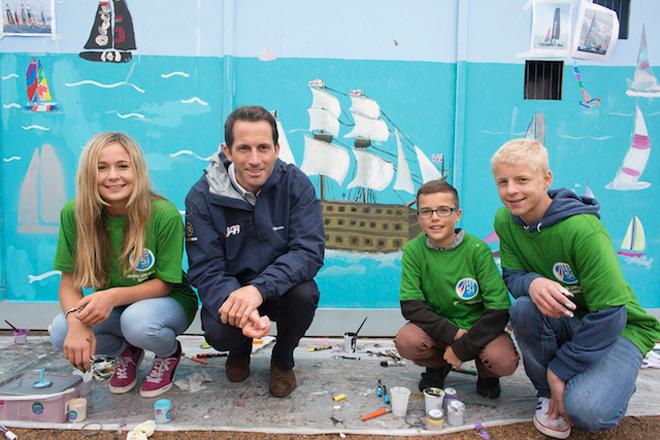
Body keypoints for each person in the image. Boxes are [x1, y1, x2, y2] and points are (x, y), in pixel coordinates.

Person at [491, 138, 660, 438]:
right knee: (524, 308)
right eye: (503, 181)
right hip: (568, 318)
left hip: (619, 327)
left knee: (587, 411)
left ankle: (611, 375)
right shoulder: (506, 220)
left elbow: (611, 313)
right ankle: (546, 393)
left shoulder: (582, 229)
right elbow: (513, 276)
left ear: (546, 179)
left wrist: (561, 368)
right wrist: (532, 282)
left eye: (521, 179)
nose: (511, 190)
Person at [185, 105, 324, 398]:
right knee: (219, 334)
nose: (255, 159)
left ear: (276, 147)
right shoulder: (202, 196)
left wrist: (259, 290)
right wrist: (239, 304)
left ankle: (283, 359)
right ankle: (239, 350)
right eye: (244, 148)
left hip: (278, 289)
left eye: (263, 148)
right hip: (232, 289)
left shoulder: (296, 185)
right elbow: (205, 267)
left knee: (305, 294)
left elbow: (308, 251)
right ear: (227, 151)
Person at [50, 132, 198, 398]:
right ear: (87, 174)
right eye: (101, 167)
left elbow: (166, 283)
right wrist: (76, 322)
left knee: (138, 322)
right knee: (59, 332)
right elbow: (69, 283)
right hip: (114, 306)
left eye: (122, 166)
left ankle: (168, 353)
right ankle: (126, 352)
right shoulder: (73, 214)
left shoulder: (163, 213)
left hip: (166, 301)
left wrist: (110, 296)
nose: (113, 176)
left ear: (137, 170)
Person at [394, 179, 519, 397]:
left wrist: (463, 346)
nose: (434, 217)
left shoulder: (477, 250)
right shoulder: (414, 250)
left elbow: (499, 310)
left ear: (457, 214)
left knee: (502, 361)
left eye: (443, 210)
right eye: (426, 211)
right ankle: (438, 367)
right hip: (440, 330)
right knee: (408, 341)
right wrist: (453, 333)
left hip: (478, 330)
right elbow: (411, 306)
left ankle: (487, 375)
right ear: (419, 217)